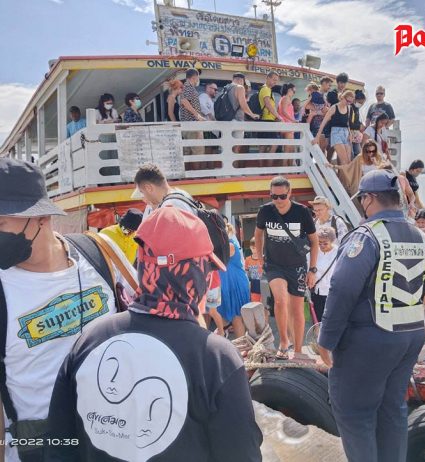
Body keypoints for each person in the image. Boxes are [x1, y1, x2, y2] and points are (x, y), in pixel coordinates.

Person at [46, 206, 263, 461]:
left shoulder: (89, 340)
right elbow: (241, 454)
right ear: (196, 273)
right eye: (208, 269)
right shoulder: (216, 357)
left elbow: (58, 445)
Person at [0, 158, 136, 462]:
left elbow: (151, 318)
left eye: (0, 224)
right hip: (39, 448)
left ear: (40, 218)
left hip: (113, 437)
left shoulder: (100, 253)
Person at [317, 169, 425, 462]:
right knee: (392, 410)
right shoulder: (422, 237)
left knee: (355, 413)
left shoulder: (367, 236)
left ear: (368, 199)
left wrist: (326, 339)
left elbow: (343, 288)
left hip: (371, 338)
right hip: (410, 336)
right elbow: (423, 287)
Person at [254, 176, 318, 360]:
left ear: (290, 193)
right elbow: (258, 235)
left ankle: (298, 350)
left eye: (282, 196)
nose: (278, 200)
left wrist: (312, 270)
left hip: (297, 266)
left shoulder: (302, 211)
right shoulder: (265, 211)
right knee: (280, 300)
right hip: (274, 265)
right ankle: (283, 341)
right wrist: (260, 258)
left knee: (297, 309)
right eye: (274, 196)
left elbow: (314, 242)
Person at [218, 223, 250, 338]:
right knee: (227, 314)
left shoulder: (230, 245)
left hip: (235, 284)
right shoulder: (226, 244)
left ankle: (242, 343)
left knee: (237, 316)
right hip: (229, 284)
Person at [313, 90, 355, 165]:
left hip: (346, 133)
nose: (348, 103)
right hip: (336, 133)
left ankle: (340, 173)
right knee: (344, 161)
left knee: (348, 162)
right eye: (348, 101)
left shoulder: (349, 107)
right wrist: (317, 137)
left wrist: (350, 134)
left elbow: (347, 123)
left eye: (351, 102)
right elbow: (323, 122)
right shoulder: (334, 107)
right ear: (342, 97)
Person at [309, 227, 338, 322]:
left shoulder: (338, 252)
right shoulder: (314, 252)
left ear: (332, 241)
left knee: (330, 319)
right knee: (317, 320)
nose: (322, 245)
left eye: (325, 243)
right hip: (316, 291)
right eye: (319, 242)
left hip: (332, 292)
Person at [180, 69, 205, 165]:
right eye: (198, 77)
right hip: (192, 125)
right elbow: (184, 101)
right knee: (197, 152)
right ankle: (196, 174)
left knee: (189, 153)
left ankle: (190, 173)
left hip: (189, 125)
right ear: (195, 77)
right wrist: (197, 115)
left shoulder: (186, 87)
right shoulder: (188, 87)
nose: (198, 80)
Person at [258, 71, 281, 159]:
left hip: (266, 120)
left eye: (276, 80)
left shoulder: (266, 89)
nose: (275, 82)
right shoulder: (266, 89)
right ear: (267, 78)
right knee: (274, 144)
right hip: (268, 120)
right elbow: (268, 104)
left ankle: (263, 166)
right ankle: (268, 165)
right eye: (274, 79)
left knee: (263, 145)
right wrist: (278, 116)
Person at [244, 237, 264, 303]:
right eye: (253, 248)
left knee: (264, 304)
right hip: (254, 284)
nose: (255, 250)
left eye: (257, 248)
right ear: (250, 247)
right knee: (255, 303)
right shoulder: (247, 259)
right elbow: (246, 274)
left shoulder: (264, 258)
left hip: (263, 284)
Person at [349, 89, 366, 156]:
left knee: (358, 154)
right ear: (355, 100)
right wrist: (359, 126)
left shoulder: (357, 109)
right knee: (351, 154)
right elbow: (349, 123)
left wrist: (361, 125)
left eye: (362, 103)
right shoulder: (350, 107)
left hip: (355, 136)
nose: (360, 104)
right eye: (359, 102)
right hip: (349, 135)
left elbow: (356, 121)